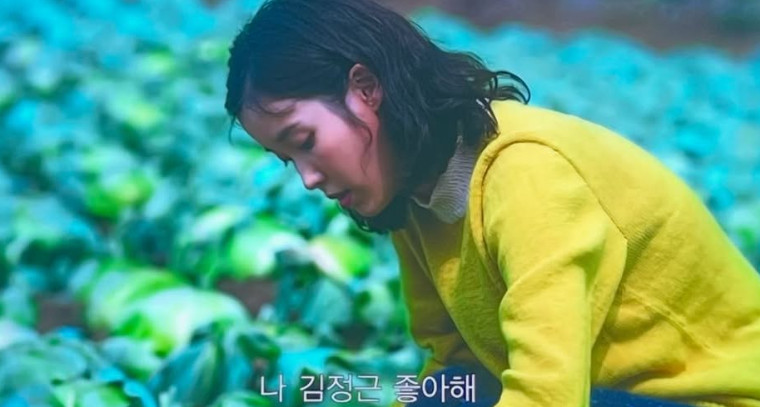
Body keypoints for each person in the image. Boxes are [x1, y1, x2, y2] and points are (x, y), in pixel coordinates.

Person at [224, 0, 760, 405]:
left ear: (365, 89)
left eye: (305, 141)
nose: (308, 179)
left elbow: (547, 394)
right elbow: (452, 366)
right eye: (288, 160)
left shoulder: (528, 173)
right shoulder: (414, 198)